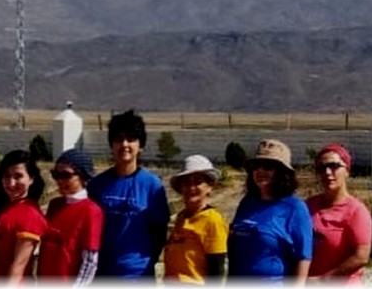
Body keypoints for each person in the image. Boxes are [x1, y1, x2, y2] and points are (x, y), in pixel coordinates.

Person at [86, 109, 170, 277]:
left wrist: (147, 261)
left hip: (137, 274)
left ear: (141, 146)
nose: (124, 145)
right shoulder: (97, 185)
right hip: (101, 273)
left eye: (131, 139)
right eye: (118, 139)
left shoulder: (153, 186)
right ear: (111, 145)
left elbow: (159, 231)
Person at [228, 139, 312, 284]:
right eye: (256, 166)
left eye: (267, 166)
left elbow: (303, 258)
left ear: (282, 172)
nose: (260, 171)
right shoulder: (246, 203)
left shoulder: (295, 208)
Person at [306, 144, 371, 283]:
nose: (327, 172)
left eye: (334, 166)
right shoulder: (308, 205)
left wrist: (324, 280)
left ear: (347, 170)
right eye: (321, 168)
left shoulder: (356, 211)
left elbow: (361, 256)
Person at [38, 149, 103, 287]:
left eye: (66, 175)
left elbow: (90, 261)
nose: (60, 180)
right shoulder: (55, 205)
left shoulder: (91, 210)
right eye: (56, 175)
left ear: (83, 177)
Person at [162, 154, 227, 284]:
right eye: (186, 182)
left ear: (209, 187)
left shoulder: (212, 220)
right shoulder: (181, 217)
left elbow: (216, 270)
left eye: (197, 182)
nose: (191, 188)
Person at [0, 149, 47, 283]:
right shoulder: (2, 206)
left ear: (31, 179)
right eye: (6, 176)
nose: (11, 183)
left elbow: (18, 266)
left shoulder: (30, 215)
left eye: (18, 176)